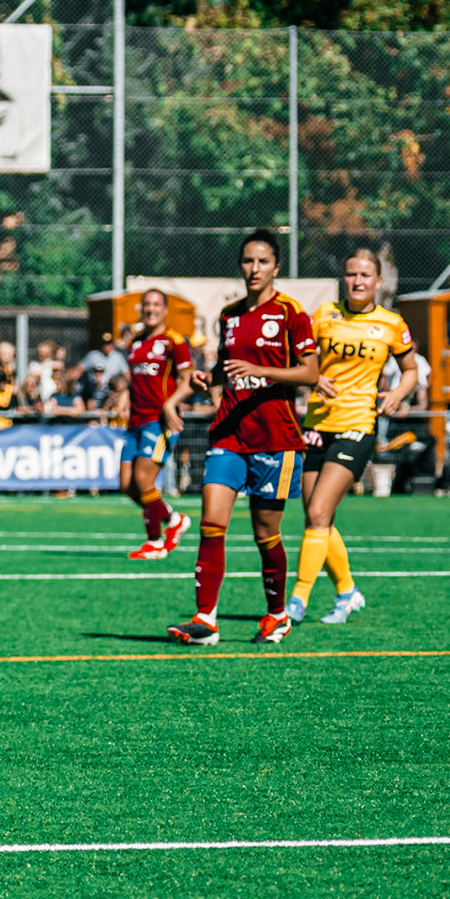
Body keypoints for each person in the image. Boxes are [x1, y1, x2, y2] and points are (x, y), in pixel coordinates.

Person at [169, 230, 320, 647]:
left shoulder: (292, 313)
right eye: (248, 261)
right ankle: (205, 619)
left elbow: (309, 372)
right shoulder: (230, 314)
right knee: (211, 523)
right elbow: (225, 366)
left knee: (264, 534)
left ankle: (276, 615)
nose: (254, 269)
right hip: (230, 432)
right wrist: (208, 378)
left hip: (276, 436)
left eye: (263, 262)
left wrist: (264, 371)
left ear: (276, 266)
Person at [287, 246, 419, 624]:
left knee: (317, 512)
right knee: (319, 520)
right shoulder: (323, 316)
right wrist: (313, 376)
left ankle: (296, 601)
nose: (357, 281)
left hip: (357, 426)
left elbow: (410, 369)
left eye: (365, 275)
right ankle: (347, 593)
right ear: (342, 279)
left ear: (378, 281)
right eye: (351, 274)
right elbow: (302, 360)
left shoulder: (392, 323)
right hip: (316, 425)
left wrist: (396, 394)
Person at [119, 289, 195, 559]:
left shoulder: (173, 340)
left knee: (143, 479)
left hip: (160, 421)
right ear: (141, 309)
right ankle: (173, 519)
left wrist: (170, 403)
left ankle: (155, 542)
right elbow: (136, 379)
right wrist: (126, 396)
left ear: (164, 310)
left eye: (156, 305)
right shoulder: (136, 342)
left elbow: (189, 379)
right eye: (146, 305)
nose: (150, 309)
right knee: (126, 484)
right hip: (135, 420)